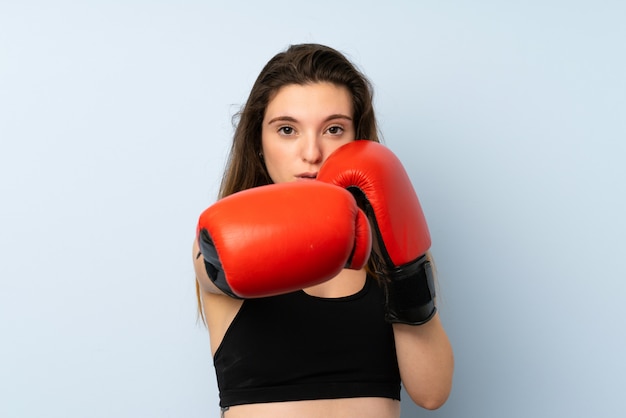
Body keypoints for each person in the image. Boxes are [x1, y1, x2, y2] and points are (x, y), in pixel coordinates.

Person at [192, 43, 454, 418]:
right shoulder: (224, 238)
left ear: (358, 140)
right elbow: (213, 269)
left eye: (333, 129)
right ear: (259, 144)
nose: (312, 153)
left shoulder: (388, 246)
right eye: (287, 129)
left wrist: (405, 267)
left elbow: (432, 393)